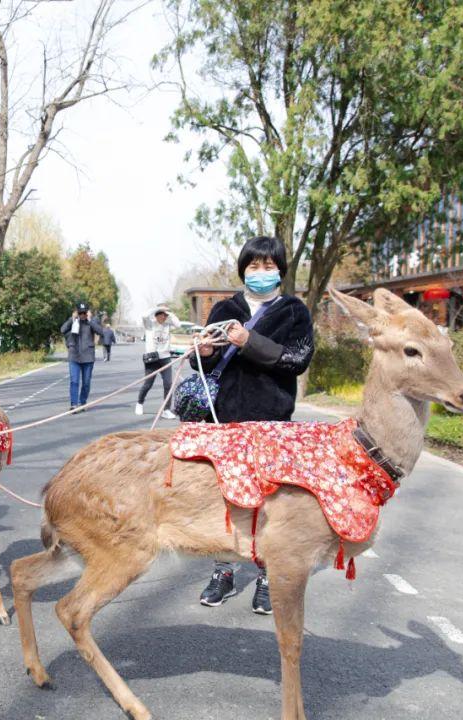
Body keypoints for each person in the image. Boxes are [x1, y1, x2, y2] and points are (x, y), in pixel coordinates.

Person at [190, 235, 314, 615]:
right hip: (225, 418)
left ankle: (265, 575)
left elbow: (297, 360)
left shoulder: (294, 311)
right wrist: (205, 353)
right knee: (225, 498)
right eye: (254, 266)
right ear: (243, 269)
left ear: (280, 270)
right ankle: (223, 571)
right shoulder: (226, 307)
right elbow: (205, 365)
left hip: (272, 420)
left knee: (267, 501)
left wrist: (249, 341)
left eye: (268, 266)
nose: (261, 273)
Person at [60, 301, 104, 412]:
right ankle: (74, 404)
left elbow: (101, 331)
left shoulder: (91, 323)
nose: (82, 315)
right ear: (77, 313)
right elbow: (62, 330)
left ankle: (82, 402)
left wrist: (90, 320)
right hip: (74, 356)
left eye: (84, 313)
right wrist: (71, 319)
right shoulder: (73, 322)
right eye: (80, 313)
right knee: (74, 381)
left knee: (86, 382)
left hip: (88, 357)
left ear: (87, 313)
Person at [136, 304, 178, 419]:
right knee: (148, 384)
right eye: (163, 314)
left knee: (168, 384)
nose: (164, 317)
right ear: (157, 315)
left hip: (165, 358)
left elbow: (178, 324)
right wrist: (158, 308)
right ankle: (140, 403)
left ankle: (166, 409)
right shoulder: (150, 324)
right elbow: (145, 315)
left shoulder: (168, 325)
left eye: (166, 315)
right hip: (152, 358)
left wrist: (170, 312)